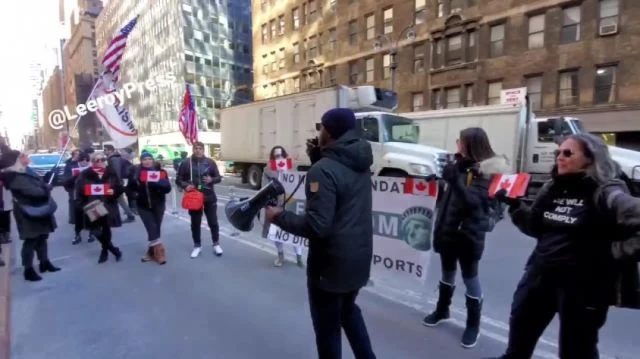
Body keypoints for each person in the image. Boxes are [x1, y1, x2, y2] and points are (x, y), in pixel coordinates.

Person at [485, 134, 640, 359]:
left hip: (583, 287)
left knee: (576, 350)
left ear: (590, 159)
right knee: (519, 341)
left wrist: (613, 252)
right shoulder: (552, 187)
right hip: (539, 277)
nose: (560, 157)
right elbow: (535, 228)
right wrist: (516, 206)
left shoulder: (606, 191)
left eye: (568, 153)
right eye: (558, 152)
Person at [265, 108, 377, 359]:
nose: (318, 132)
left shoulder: (323, 170)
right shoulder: (360, 159)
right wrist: (321, 159)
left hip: (330, 267)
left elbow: (318, 225)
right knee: (348, 311)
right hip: (358, 260)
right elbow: (342, 195)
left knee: (327, 331)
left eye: (321, 127)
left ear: (329, 131)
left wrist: (278, 216)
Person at [422, 127, 509, 348]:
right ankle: (443, 310)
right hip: (448, 229)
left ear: (471, 144)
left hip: (469, 234)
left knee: (470, 279)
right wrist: (438, 183)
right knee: (447, 272)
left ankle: (473, 325)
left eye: (460, 141)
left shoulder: (488, 171)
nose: (457, 144)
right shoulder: (459, 164)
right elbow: (450, 195)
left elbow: (474, 202)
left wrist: (455, 181)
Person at [0, 148, 60, 281]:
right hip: (27, 211)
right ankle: (28, 269)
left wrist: (50, 175)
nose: (26, 156)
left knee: (43, 236)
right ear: (16, 162)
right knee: (31, 239)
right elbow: (35, 192)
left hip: (39, 208)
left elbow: (39, 183)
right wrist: (46, 188)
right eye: (22, 156)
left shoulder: (27, 171)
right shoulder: (15, 177)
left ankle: (44, 262)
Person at [176, 141, 223, 258]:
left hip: (209, 197)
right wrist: (185, 185)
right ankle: (197, 246)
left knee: (213, 222)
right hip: (193, 197)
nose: (198, 150)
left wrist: (212, 180)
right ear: (193, 150)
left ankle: (216, 244)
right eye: (196, 148)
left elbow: (218, 177)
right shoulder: (186, 163)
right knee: (195, 223)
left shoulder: (210, 162)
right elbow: (178, 179)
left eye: (200, 148)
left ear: (203, 150)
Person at [75, 152, 124, 264]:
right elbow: (79, 190)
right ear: (92, 162)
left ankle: (104, 251)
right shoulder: (85, 174)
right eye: (97, 160)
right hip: (93, 205)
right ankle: (113, 249)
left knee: (106, 229)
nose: (101, 162)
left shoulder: (111, 172)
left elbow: (119, 187)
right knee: (95, 230)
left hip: (108, 204)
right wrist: (81, 204)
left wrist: (114, 191)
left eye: (103, 159)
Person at [261, 145, 304, 267]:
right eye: (276, 156)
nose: (279, 158)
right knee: (276, 233)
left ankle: (299, 258)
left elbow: (299, 185)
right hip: (275, 206)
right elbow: (264, 189)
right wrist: (267, 204)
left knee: (296, 231)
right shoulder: (267, 170)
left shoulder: (291, 168)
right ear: (272, 158)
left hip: (290, 204)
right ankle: (280, 256)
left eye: (281, 155)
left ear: (284, 156)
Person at [127, 151, 171, 264]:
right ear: (141, 161)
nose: (147, 161)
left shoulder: (161, 172)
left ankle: (150, 253)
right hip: (143, 206)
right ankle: (160, 253)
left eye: (149, 159)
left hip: (158, 205)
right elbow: (129, 189)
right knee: (151, 228)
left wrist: (155, 182)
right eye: (144, 159)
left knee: (156, 229)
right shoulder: (136, 173)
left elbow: (167, 188)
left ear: (153, 160)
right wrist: (134, 197)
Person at [64, 151, 93, 245]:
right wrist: (74, 177)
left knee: (91, 214)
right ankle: (77, 235)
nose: (85, 162)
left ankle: (91, 233)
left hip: (89, 195)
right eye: (82, 160)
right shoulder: (70, 167)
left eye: (87, 160)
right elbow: (65, 182)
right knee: (77, 216)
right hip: (76, 195)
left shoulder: (91, 167)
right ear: (79, 160)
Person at [103, 144, 135, 223]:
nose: (104, 151)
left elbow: (116, 172)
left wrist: (115, 183)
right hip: (115, 183)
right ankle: (130, 215)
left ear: (110, 150)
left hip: (114, 184)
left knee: (108, 200)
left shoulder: (114, 159)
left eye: (105, 150)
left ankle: (129, 216)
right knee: (120, 200)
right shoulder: (111, 158)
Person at [63, 149, 81, 224]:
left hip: (80, 185)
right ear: (73, 155)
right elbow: (66, 176)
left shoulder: (81, 162)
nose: (78, 155)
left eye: (79, 154)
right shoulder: (69, 164)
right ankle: (73, 219)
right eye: (76, 154)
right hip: (72, 186)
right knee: (72, 202)